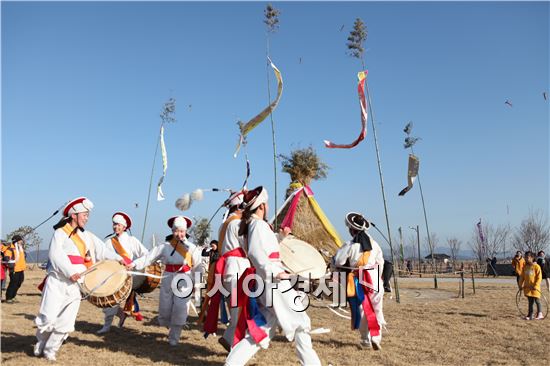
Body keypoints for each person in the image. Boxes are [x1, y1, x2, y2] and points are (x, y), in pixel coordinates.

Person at [224, 186, 321, 366]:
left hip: (267, 281)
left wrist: (280, 237)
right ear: (262, 206)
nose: (268, 207)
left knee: (262, 330)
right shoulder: (258, 225)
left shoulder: (254, 225)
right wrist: (277, 272)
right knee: (300, 324)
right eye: (266, 204)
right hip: (274, 282)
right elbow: (256, 254)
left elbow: (265, 250)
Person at [33, 197, 127, 361]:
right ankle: (41, 341)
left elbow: (102, 251)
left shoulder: (88, 236)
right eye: (84, 214)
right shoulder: (60, 233)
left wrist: (118, 259)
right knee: (48, 316)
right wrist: (70, 271)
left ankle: (51, 349)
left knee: (67, 320)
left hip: (76, 285)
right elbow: (55, 255)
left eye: (88, 215)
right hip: (57, 281)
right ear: (74, 215)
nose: (87, 218)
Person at [133, 215, 202, 346]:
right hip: (168, 277)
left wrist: (198, 285)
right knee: (165, 308)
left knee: (180, 307)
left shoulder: (192, 248)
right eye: (176, 231)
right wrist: (134, 264)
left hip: (184, 279)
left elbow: (199, 268)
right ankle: (169, 326)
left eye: (181, 231)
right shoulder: (164, 246)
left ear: (186, 231)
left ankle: (174, 337)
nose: (179, 234)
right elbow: (149, 257)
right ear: (172, 231)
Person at [203, 190, 250, 352]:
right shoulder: (236, 223)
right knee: (240, 308)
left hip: (230, 269)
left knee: (237, 308)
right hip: (237, 269)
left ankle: (230, 339)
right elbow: (249, 245)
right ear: (239, 207)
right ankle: (232, 343)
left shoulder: (225, 223)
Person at [333, 212, 386, 350]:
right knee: (377, 308)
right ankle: (376, 336)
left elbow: (339, 261)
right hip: (375, 279)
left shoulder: (350, 245)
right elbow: (380, 262)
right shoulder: (375, 245)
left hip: (360, 279)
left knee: (363, 309)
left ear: (352, 230)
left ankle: (366, 339)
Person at [97, 212, 149, 334]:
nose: (115, 227)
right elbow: (102, 257)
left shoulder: (132, 240)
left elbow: (146, 254)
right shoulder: (109, 242)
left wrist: (135, 265)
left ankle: (110, 323)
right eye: (114, 224)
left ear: (124, 227)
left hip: (127, 276)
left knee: (112, 301)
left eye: (118, 225)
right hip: (113, 275)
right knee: (108, 301)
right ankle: (114, 320)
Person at [519, 251, 543, 320]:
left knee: (537, 300)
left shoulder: (536, 267)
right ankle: (530, 314)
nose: (526, 259)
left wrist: (536, 285)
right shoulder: (525, 267)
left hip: (535, 288)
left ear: (532, 258)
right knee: (530, 301)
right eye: (525, 257)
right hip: (528, 287)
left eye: (528, 257)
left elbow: (539, 277)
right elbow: (522, 277)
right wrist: (520, 285)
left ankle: (540, 313)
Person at [5, 235, 26, 303]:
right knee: (13, 283)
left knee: (19, 282)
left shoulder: (20, 248)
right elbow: (7, 255)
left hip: (21, 269)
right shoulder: (10, 249)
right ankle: (8, 298)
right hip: (14, 269)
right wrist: (7, 257)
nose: (21, 241)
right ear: (16, 241)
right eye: (20, 240)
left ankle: (13, 296)